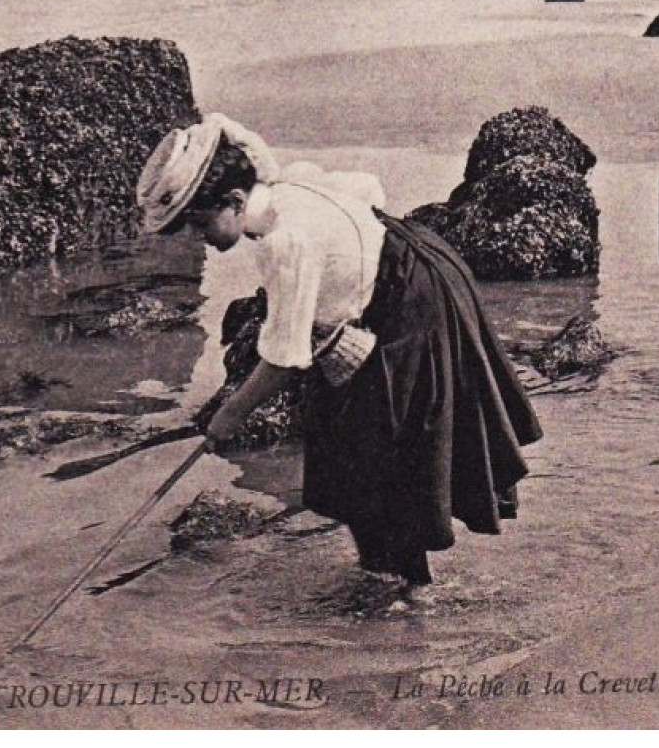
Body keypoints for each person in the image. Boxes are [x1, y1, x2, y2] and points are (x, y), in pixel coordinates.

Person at [135, 114, 542, 593]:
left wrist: (227, 418)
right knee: (351, 445)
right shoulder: (277, 183)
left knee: (387, 452)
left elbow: (285, 360)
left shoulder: (283, 240)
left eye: (201, 222)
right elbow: (363, 189)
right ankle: (388, 581)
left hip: (414, 298)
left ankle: (405, 595)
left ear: (234, 200)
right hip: (407, 270)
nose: (199, 236)